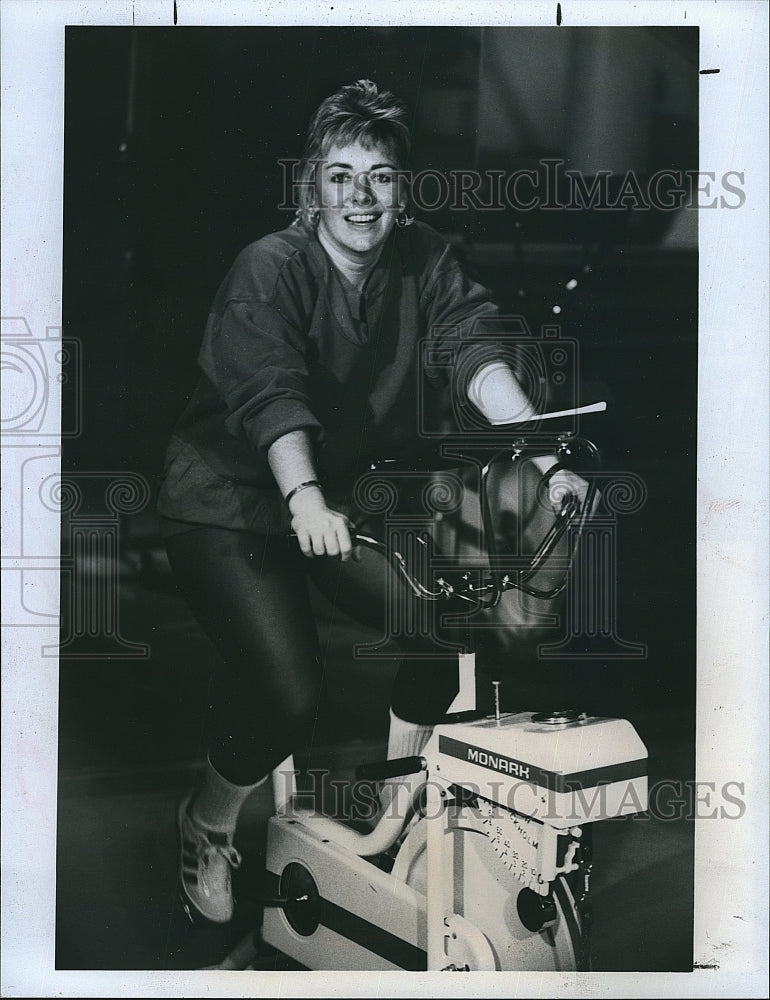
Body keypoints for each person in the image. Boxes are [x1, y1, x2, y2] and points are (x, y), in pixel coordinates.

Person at [157, 79, 591, 924]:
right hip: (231, 503)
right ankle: (207, 821)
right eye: (342, 174)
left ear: (402, 189)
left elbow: (475, 349)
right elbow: (269, 396)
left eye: (381, 176)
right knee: (288, 688)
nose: (361, 196)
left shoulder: (422, 258)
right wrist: (307, 497)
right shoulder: (270, 267)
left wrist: (543, 451)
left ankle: (398, 819)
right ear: (311, 184)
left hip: (334, 501)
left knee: (442, 618)